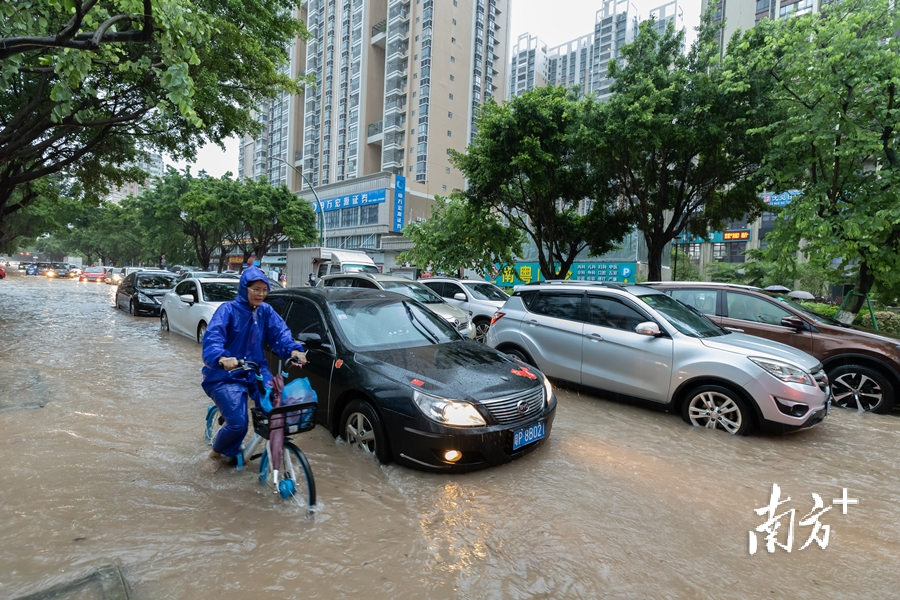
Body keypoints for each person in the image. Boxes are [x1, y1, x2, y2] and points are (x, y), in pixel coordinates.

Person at [200, 266, 307, 471]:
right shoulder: (227, 310)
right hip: (225, 375)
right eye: (256, 289)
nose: (261, 294)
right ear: (244, 288)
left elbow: (280, 334)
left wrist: (294, 350)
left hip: (256, 370)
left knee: (276, 407)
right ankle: (215, 453)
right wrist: (221, 358)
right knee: (239, 423)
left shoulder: (266, 311)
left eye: (264, 290)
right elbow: (212, 339)